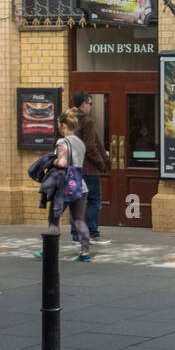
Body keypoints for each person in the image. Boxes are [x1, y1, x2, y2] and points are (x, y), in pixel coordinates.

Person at [40, 109, 91, 262]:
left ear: (63, 126)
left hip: (64, 187)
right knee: (79, 220)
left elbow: (62, 162)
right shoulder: (80, 143)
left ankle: (49, 251)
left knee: (54, 219)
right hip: (80, 186)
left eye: (58, 125)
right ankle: (85, 252)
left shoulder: (63, 142)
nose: (58, 128)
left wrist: (51, 161)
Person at [71, 92, 110, 245]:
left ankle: (76, 235)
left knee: (76, 201)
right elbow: (90, 147)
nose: (91, 107)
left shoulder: (67, 119)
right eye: (90, 103)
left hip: (72, 167)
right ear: (83, 104)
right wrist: (101, 163)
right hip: (88, 168)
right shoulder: (86, 121)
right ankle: (92, 233)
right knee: (94, 200)